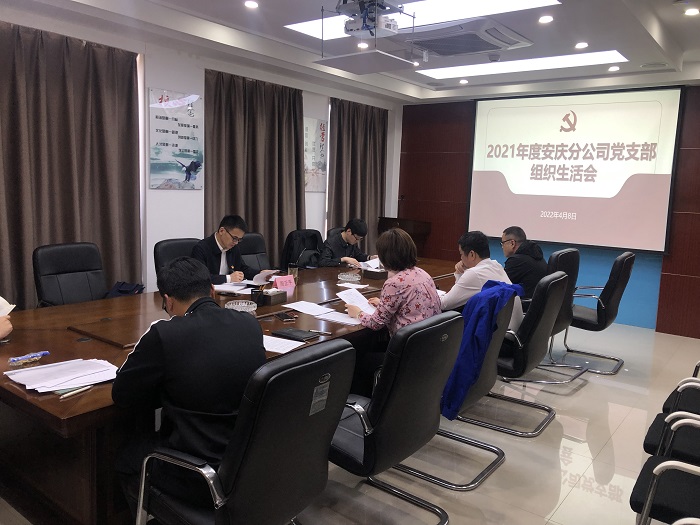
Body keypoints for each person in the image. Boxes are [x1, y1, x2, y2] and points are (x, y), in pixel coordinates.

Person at [112, 257, 266, 515]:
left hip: (198, 475)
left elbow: (122, 395)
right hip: (246, 464)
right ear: (212, 290)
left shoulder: (164, 334)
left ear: (168, 301)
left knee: (127, 459)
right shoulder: (250, 324)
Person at [345, 228, 441, 395]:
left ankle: (369, 403)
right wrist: (383, 304)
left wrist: (358, 313)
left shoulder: (394, 282)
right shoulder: (422, 274)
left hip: (406, 352)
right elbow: (408, 305)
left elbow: (376, 323)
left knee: (356, 359)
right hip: (427, 346)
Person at [440, 231, 523, 329]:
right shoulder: (496, 265)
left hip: (500, 333)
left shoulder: (474, 274)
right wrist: (461, 274)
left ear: (472, 254)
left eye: (461, 254)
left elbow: (445, 304)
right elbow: (460, 295)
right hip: (512, 329)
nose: (461, 258)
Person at [191, 215, 257, 284]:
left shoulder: (233, 247)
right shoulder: (201, 248)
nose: (236, 242)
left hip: (230, 289)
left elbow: (242, 269)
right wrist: (229, 278)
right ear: (222, 231)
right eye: (234, 238)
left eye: (239, 239)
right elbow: (200, 277)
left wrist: (260, 274)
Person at [501, 226, 547, 301]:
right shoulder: (535, 255)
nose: (502, 247)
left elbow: (501, 285)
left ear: (512, 243)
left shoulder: (516, 261)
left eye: (503, 243)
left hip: (526, 304)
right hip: (538, 303)